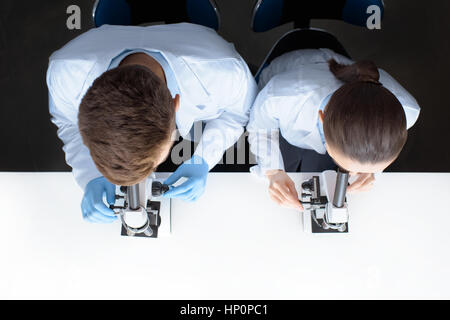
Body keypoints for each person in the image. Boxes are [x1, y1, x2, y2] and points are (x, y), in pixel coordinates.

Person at [47, 23, 256, 223]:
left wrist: (205, 157)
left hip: (197, 40)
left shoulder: (226, 74)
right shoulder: (65, 74)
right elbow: (67, 122)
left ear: (176, 106)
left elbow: (238, 113)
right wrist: (88, 175)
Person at [247, 48, 420, 210]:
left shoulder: (406, 112)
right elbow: (261, 127)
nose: (353, 173)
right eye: (351, 168)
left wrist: (372, 172)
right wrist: (273, 171)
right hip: (285, 81)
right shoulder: (282, 97)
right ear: (322, 118)